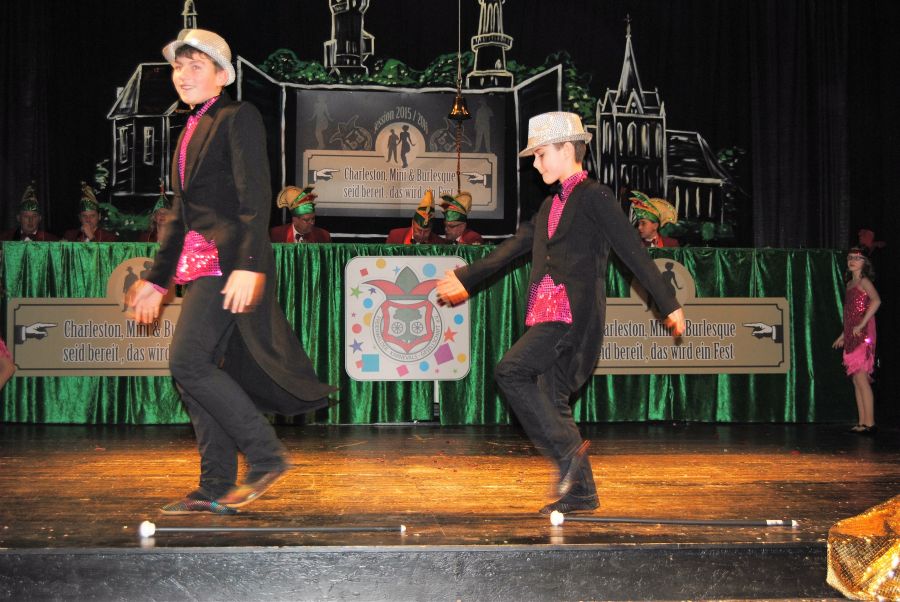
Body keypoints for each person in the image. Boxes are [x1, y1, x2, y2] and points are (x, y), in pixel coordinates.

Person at [126, 28, 336, 515]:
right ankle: (215, 483)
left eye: (196, 66)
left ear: (223, 76)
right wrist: (157, 280)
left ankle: (265, 457)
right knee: (194, 372)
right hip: (203, 263)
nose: (183, 75)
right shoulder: (189, 130)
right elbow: (180, 216)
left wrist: (248, 265)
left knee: (187, 363)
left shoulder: (236, 116)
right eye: (178, 67)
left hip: (230, 260)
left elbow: (255, 196)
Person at [436, 112, 685, 515]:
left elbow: (633, 252)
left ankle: (568, 452)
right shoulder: (551, 204)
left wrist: (668, 302)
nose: (536, 165)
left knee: (511, 370)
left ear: (567, 149)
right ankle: (582, 491)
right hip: (546, 314)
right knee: (552, 400)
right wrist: (467, 277)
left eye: (541, 155)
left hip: (572, 316)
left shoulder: (595, 196)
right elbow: (513, 247)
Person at [832, 247, 880, 434]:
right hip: (852, 333)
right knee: (856, 380)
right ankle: (862, 422)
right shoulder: (850, 284)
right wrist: (843, 335)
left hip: (863, 333)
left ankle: (870, 423)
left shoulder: (864, 281)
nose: (852, 261)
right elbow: (849, 314)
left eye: (857, 258)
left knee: (861, 378)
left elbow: (876, 301)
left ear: (865, 263)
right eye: (850, 258)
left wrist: (862, 324)